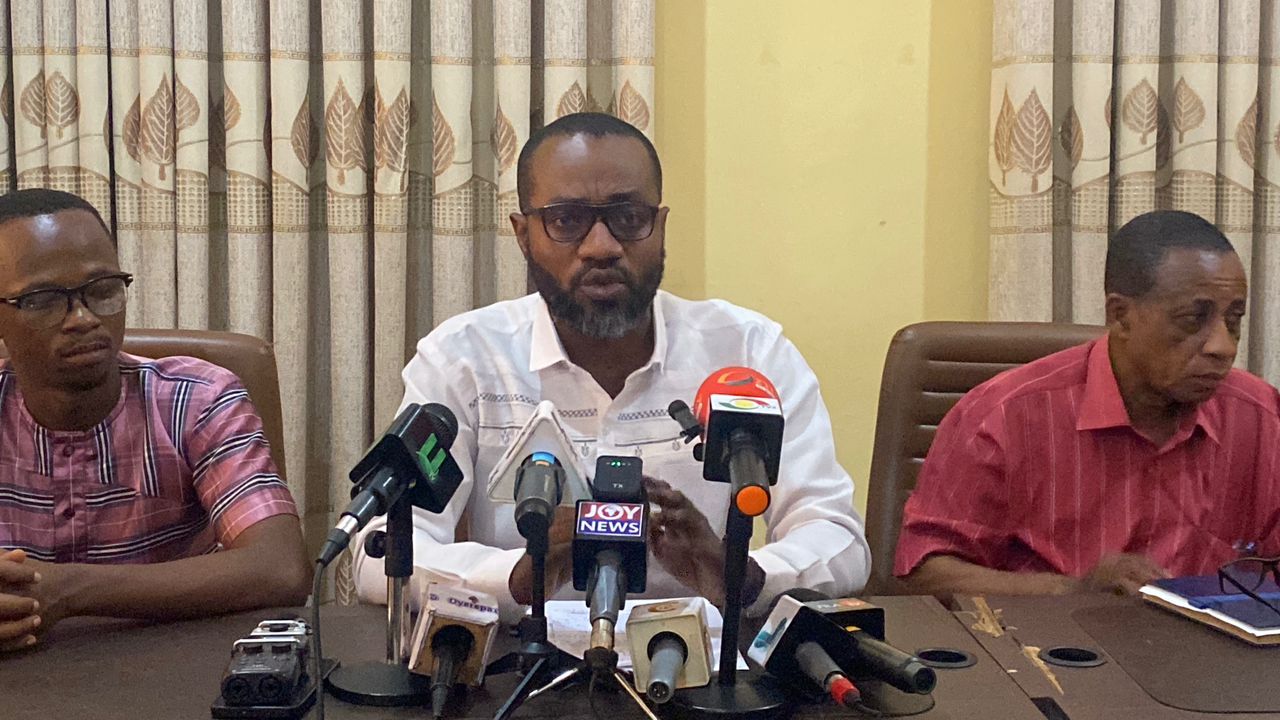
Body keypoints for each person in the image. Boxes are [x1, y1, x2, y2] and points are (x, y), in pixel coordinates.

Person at [353, 112, 870, 621]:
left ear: (660, 226)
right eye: (566, 220)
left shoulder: (749, 353)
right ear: (523, 234)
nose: (601, 246)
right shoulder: (464, 358)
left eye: (628, 217)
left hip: (704, 657)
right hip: (522, 656)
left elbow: (838, 540)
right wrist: (517, 577)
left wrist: (741, 575)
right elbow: (377, 552)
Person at [895, 210, 1280, 600]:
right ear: (1120, 316)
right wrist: (1071, 590)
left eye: (1234, 321)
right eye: (1192, 320)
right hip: (1050, 635)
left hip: (1214, 638)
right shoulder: (1002, 417)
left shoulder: (1260, 416)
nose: (1223, 346)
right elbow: (924, 573)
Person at [0, 189, 309, 653]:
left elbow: (279, 567)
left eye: (102, 289)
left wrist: (66, 590)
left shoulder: (196, 398)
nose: (82, 318)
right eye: (42, 300)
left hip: (174, 666)